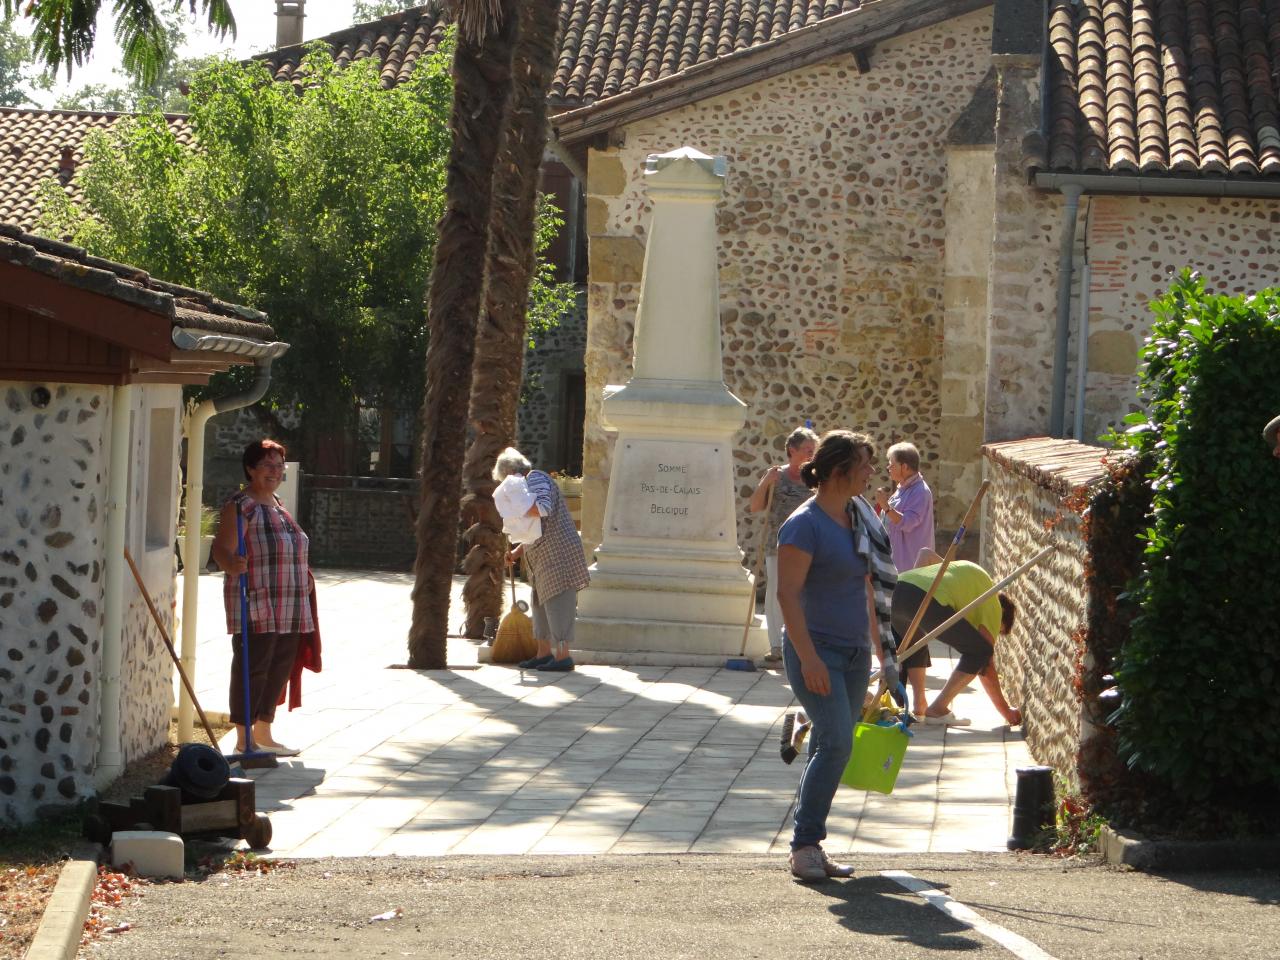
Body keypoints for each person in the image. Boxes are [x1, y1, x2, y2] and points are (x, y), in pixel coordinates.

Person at [776, 430, 900, 882]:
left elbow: (867, 589)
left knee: (834, 746)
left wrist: (883, 654)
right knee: (837, 742)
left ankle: (811, 844)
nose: (872, 472)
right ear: (838, 470)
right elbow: (787, 595)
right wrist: (808, 659)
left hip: (852, 653)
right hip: (816, 650)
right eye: (865, 464)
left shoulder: (859, 518)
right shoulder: (803, 524)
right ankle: (805, 846)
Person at [211, 439, 313, 756]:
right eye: (267, 465)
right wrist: (231, 563)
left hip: (290, 604)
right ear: (250, 469)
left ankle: (264, 733)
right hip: (257, 601)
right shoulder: (241, 506)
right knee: (252, 668)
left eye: (279, 466)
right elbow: (221, 549)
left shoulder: (279, 505)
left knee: (278, 668)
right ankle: (244, 739)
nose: (275, 471)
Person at [891, 550, 1022, 728]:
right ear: (1003, 617)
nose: (992, 634)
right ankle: (938, 709)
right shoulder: (994, 605)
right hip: (922, 597)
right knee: (980, 650)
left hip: (896, 590)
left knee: (916, 645)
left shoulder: (973, 582)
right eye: (998, 631)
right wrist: (1006, 711)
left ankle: (919, 706)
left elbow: (927, 557)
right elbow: (985, 664)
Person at [497, 448, 590, 672]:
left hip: (559, 553)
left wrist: (516, 510)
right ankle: (543, 653)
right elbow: (533, 532)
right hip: (542, 557)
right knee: (539, 604)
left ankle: (563, 657)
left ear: (510, 471)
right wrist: (516, 552)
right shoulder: (525, 487)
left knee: (558, 601)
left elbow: (542, 509)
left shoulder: (536, 478)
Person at [873, 441, 936, 715]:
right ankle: (898, 698)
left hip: (911, 573)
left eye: (892, 463)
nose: (888, 467)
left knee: (910, 634)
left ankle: (917, 700)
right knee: (895, 635)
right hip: (895, 570)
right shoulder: (902, 490)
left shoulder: (920, 492)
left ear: (905, 466)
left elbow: (907, 523)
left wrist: (885, 507)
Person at [748, 426, 818, 662]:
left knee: (806, 594)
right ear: (792, 450)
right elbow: (756, 506)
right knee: (777, 592)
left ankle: (798, 644)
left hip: (808, 545)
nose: (811, 454)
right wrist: (766, 482)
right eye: (807, 449)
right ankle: (776, 646)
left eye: (813, 450)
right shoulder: (777, 476)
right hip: (777, 542)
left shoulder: (816, 478)